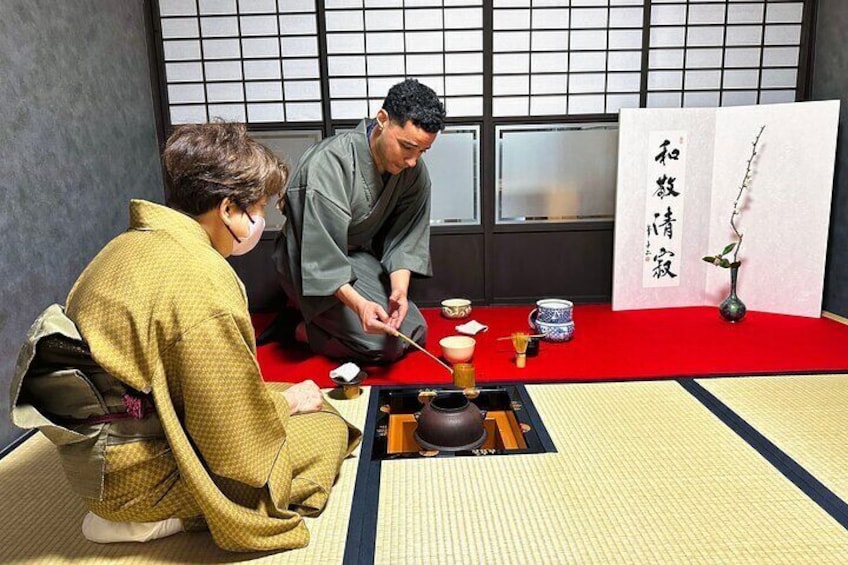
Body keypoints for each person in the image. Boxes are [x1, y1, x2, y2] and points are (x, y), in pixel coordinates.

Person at [10, 122, 361, 552]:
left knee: (287, 394)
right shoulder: (202, 281)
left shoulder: (125, 246)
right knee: (325, 428)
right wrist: (288, 405)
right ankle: (165, 517)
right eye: (260, 208)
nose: (262, 221)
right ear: (230, 209)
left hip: (100, 450)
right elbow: (236, 446)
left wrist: (279, 400)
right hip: (136, 478)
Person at [263, 78, 446, 363]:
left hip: (352, 257)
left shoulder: (414, 172)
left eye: (422, 151)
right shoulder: (328, 164)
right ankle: (296, 329)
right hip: (306, 260)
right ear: (382, 119)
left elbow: (405, 237)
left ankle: (311, 315)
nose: (413, 161)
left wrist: (399, 290)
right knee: (379, 346)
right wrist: (359, 305)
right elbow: (320, 254)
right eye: (407, 147)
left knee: (412, 329)